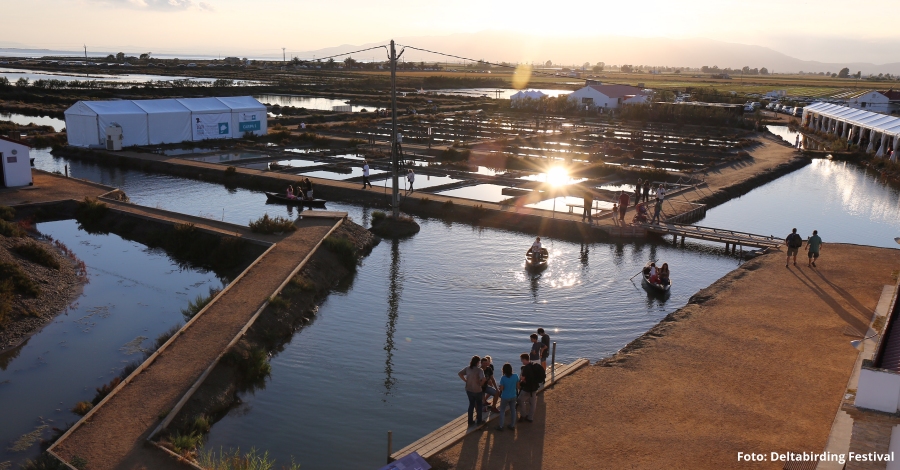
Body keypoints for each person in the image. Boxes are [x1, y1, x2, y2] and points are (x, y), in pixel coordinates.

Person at [458, 355, 486, 427]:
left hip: (469, 389)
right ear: (478, 362)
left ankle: (470, 421)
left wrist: (465, 380)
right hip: (477, 390)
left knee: (471, 404)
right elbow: (484, 379)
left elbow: (460, 373)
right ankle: (479, 421)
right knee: (479, 405)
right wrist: (481, 384)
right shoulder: (480, 370)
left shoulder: (467, 368)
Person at [519, 353, 545, 423]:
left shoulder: (526, 368)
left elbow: (523, 378)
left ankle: (523, 414)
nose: (522, 362)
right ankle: (530, 417)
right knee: (533, 403)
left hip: (527, 388)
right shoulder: (534, 365)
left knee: (520, 400)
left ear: (524, 359)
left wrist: (520, 376)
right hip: (535, 387)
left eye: (522, 360)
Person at [495, 363, 519, 432]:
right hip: (513, 395)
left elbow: (502, 389)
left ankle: (501, 426)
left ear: (503, 370)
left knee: (502, 410)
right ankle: (512, 425)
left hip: (505, 396)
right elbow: (518, 386)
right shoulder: (515, 376)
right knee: (513, 410)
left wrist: (500, 387)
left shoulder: (503, 378)